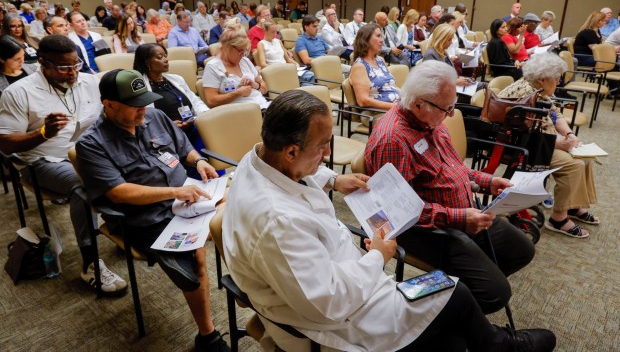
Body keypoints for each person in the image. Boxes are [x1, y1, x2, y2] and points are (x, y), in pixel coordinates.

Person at [223, 89, 556, 352]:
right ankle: (499, 345)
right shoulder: (277, 221)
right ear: (292, 151)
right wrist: (378, 256)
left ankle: (492, 341)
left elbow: (302, 170)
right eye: (324, 147)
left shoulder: (259, 163)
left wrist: (332, 180)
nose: (327, 155)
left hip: (344, 278)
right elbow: (326, 303)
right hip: (333, 320)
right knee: (453, 292)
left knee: (453, 327)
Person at [75, 69, 230, 352]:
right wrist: (175, 192)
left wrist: (198, 162)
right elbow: (118, 192)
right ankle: (208, 337)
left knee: (238, 201)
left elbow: (184, 149)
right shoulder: (91, 144)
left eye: (145, 102)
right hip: (144, 216)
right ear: (108, 104)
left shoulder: (154, 116)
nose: (143, 111)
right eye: (135, 106)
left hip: (188, 197)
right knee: (195, 260)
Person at [365, 60, 536, 315]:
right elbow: (397, 210)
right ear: (418, 103)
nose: (452, 114)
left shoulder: (429, 121)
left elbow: (453, 168)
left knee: (522, 249)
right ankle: (436, 315)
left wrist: (487, 181)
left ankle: (459, 293)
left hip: (462, 214)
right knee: (494, 293)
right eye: (447, 108)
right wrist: (458, 218)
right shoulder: (393, 139)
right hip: (426, 229)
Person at [0, 35, 126, 295]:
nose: (72, 72)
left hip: (90, 153)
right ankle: (90, 263)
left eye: (76, 65)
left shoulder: (89, 81)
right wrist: (43, 133)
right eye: (64, 68)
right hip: (43, 161)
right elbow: (6, 144)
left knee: (129, 163)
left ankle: (122, 231)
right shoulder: (18, 92)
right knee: (84, 185)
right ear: (42, 64)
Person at [499, 53, 599, 238]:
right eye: (557, 77)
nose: (559, 82)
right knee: (574, 165)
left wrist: (568, 134)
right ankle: (558, 218)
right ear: (543, 78)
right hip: (526, 146)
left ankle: (574, 206)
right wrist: (559, 144)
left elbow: (556, 115)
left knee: (586, 159)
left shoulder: (539, 89)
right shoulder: (526, 94)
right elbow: (529, 134)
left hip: (542, 141)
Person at [133, 44, 208, 150]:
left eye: (165, 56)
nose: (166, 60)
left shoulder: (177, 79)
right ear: (147, 62)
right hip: (165, 137)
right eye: (160, 57)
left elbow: (195, 100)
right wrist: (167, 125)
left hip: (193, 129)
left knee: (213, 155)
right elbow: (141, 118)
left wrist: (204, 115)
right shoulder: (140, 87)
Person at [202, 29, 268, 109]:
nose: (243, 55)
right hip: (238, 113)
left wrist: (255, 85)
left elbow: (264, 89)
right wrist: (238, 93)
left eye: (245, 51)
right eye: (240, 51)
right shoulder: (213, 66)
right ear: (227, 47)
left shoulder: (245, 61)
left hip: (261, 106)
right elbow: (211, 101)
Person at [349, 23, 400, 126]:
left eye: (381, 36)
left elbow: (390, 86)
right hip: (375, 113)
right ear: (366, 40)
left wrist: (409, 97)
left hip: (393, 108)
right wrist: (395, 107)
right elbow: (363, 101)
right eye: (378, 36)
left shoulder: (380, 60)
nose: (382, 40)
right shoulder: (360, 66)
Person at [256, 20, 315, 86]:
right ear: (265, 31)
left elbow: (288, 59)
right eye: (272, 32)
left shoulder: (278, 41)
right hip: (274, 71)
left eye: (276, 32)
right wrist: (278, 69)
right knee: (306, 78)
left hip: (286, 68)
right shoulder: (261, 44)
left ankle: (303, 92)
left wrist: (296, 64)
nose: (275, 34)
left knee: (310, 75)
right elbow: (263, 64)